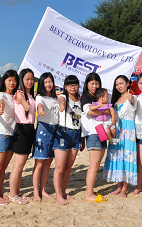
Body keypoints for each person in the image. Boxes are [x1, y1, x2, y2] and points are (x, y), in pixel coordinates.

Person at [103, 75, 137, 197]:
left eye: (121, 83)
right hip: (117, 130)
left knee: (127, 157)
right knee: (118, 156)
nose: (119, 86)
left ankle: (124, 188)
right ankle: (119, 186)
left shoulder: (131, 97)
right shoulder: (116, 100)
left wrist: (131, 98)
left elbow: (134, 103)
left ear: (127, 83)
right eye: (117, 84)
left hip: (128, 130)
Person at [0, 70, 18, 205]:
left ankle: (0, 193)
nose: (12, 83)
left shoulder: (17, 96)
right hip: (3, 134)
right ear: (4, 81)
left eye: (14, 80)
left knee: (3, 168)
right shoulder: (0, 94)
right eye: (9, 80)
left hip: (14, 134)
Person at [8, 68, 36, 205]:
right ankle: (13, 195)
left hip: (30, 129)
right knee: (18, 165)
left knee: (22, 165)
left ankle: (17, 192)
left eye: (32, 79)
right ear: (22, 80)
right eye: (27, 79)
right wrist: (25, 105)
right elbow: (21, 100)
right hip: (22, 130)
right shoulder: (20, 93)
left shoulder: (32, 95)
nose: (30, 81)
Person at [53, 75, 81, 205]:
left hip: (76, 134)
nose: (73, 87)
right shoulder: (64, 97)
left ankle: (63, 191)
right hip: (63, 132)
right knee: (59, 167)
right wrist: (62, 106)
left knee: (68, 167)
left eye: (75, 85)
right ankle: (58, 194)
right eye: (70, 85)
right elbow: (60, 99)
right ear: (65, 87)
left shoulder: (80, 100)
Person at [81, 72, 107, 203]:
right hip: (93, 133)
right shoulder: (85, 97)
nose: (95, 85)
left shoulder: (99, 97)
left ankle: (89, 191)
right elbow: (89, 112)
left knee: (97, 165)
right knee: (94, 165)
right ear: (87, 84)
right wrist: (107, 110)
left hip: (101, 132)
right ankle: (89, 194)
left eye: (97, 83)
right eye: (92, 83)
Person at [32, 72, 58, 203]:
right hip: (43, 129)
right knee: (39, 163)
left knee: (48, 163)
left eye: (50, 81)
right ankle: (35, 192)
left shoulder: (55, 98)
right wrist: (40, 110)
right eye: (46, 82)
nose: (48, 84)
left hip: (55, 130)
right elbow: (39, 105)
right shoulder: (40, 97)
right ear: (42, 83)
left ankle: (42, 189)